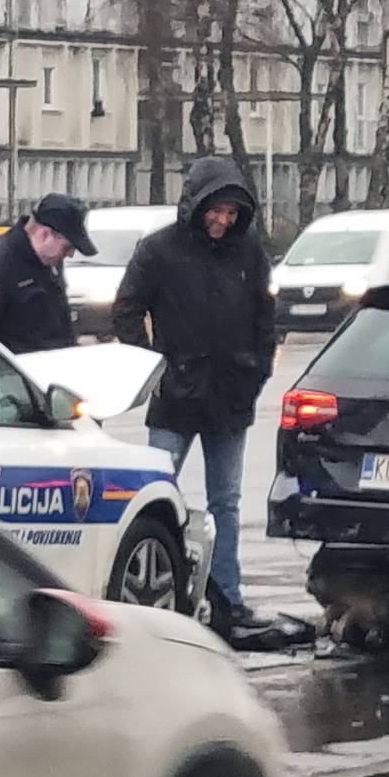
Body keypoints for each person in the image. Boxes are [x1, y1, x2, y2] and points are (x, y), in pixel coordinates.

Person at [112, 156, 280, 639]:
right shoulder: (159, 250)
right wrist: (154, 368)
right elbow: (127, 310)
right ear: (196, 203)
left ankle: (227, 599)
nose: (223, 221)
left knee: (225, 502)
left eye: (231, 213)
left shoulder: (248, 253)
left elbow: (265, 317)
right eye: (217, 211)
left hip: (230, 394)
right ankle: (146, 597)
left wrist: (258, 369)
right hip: (176, 395)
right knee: (152, 497)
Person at [0, 192, 96, 353]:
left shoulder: (49, 263)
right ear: (45, 234)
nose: (70, 254)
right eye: (67, 247)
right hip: (12, 374)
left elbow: (59, 327)